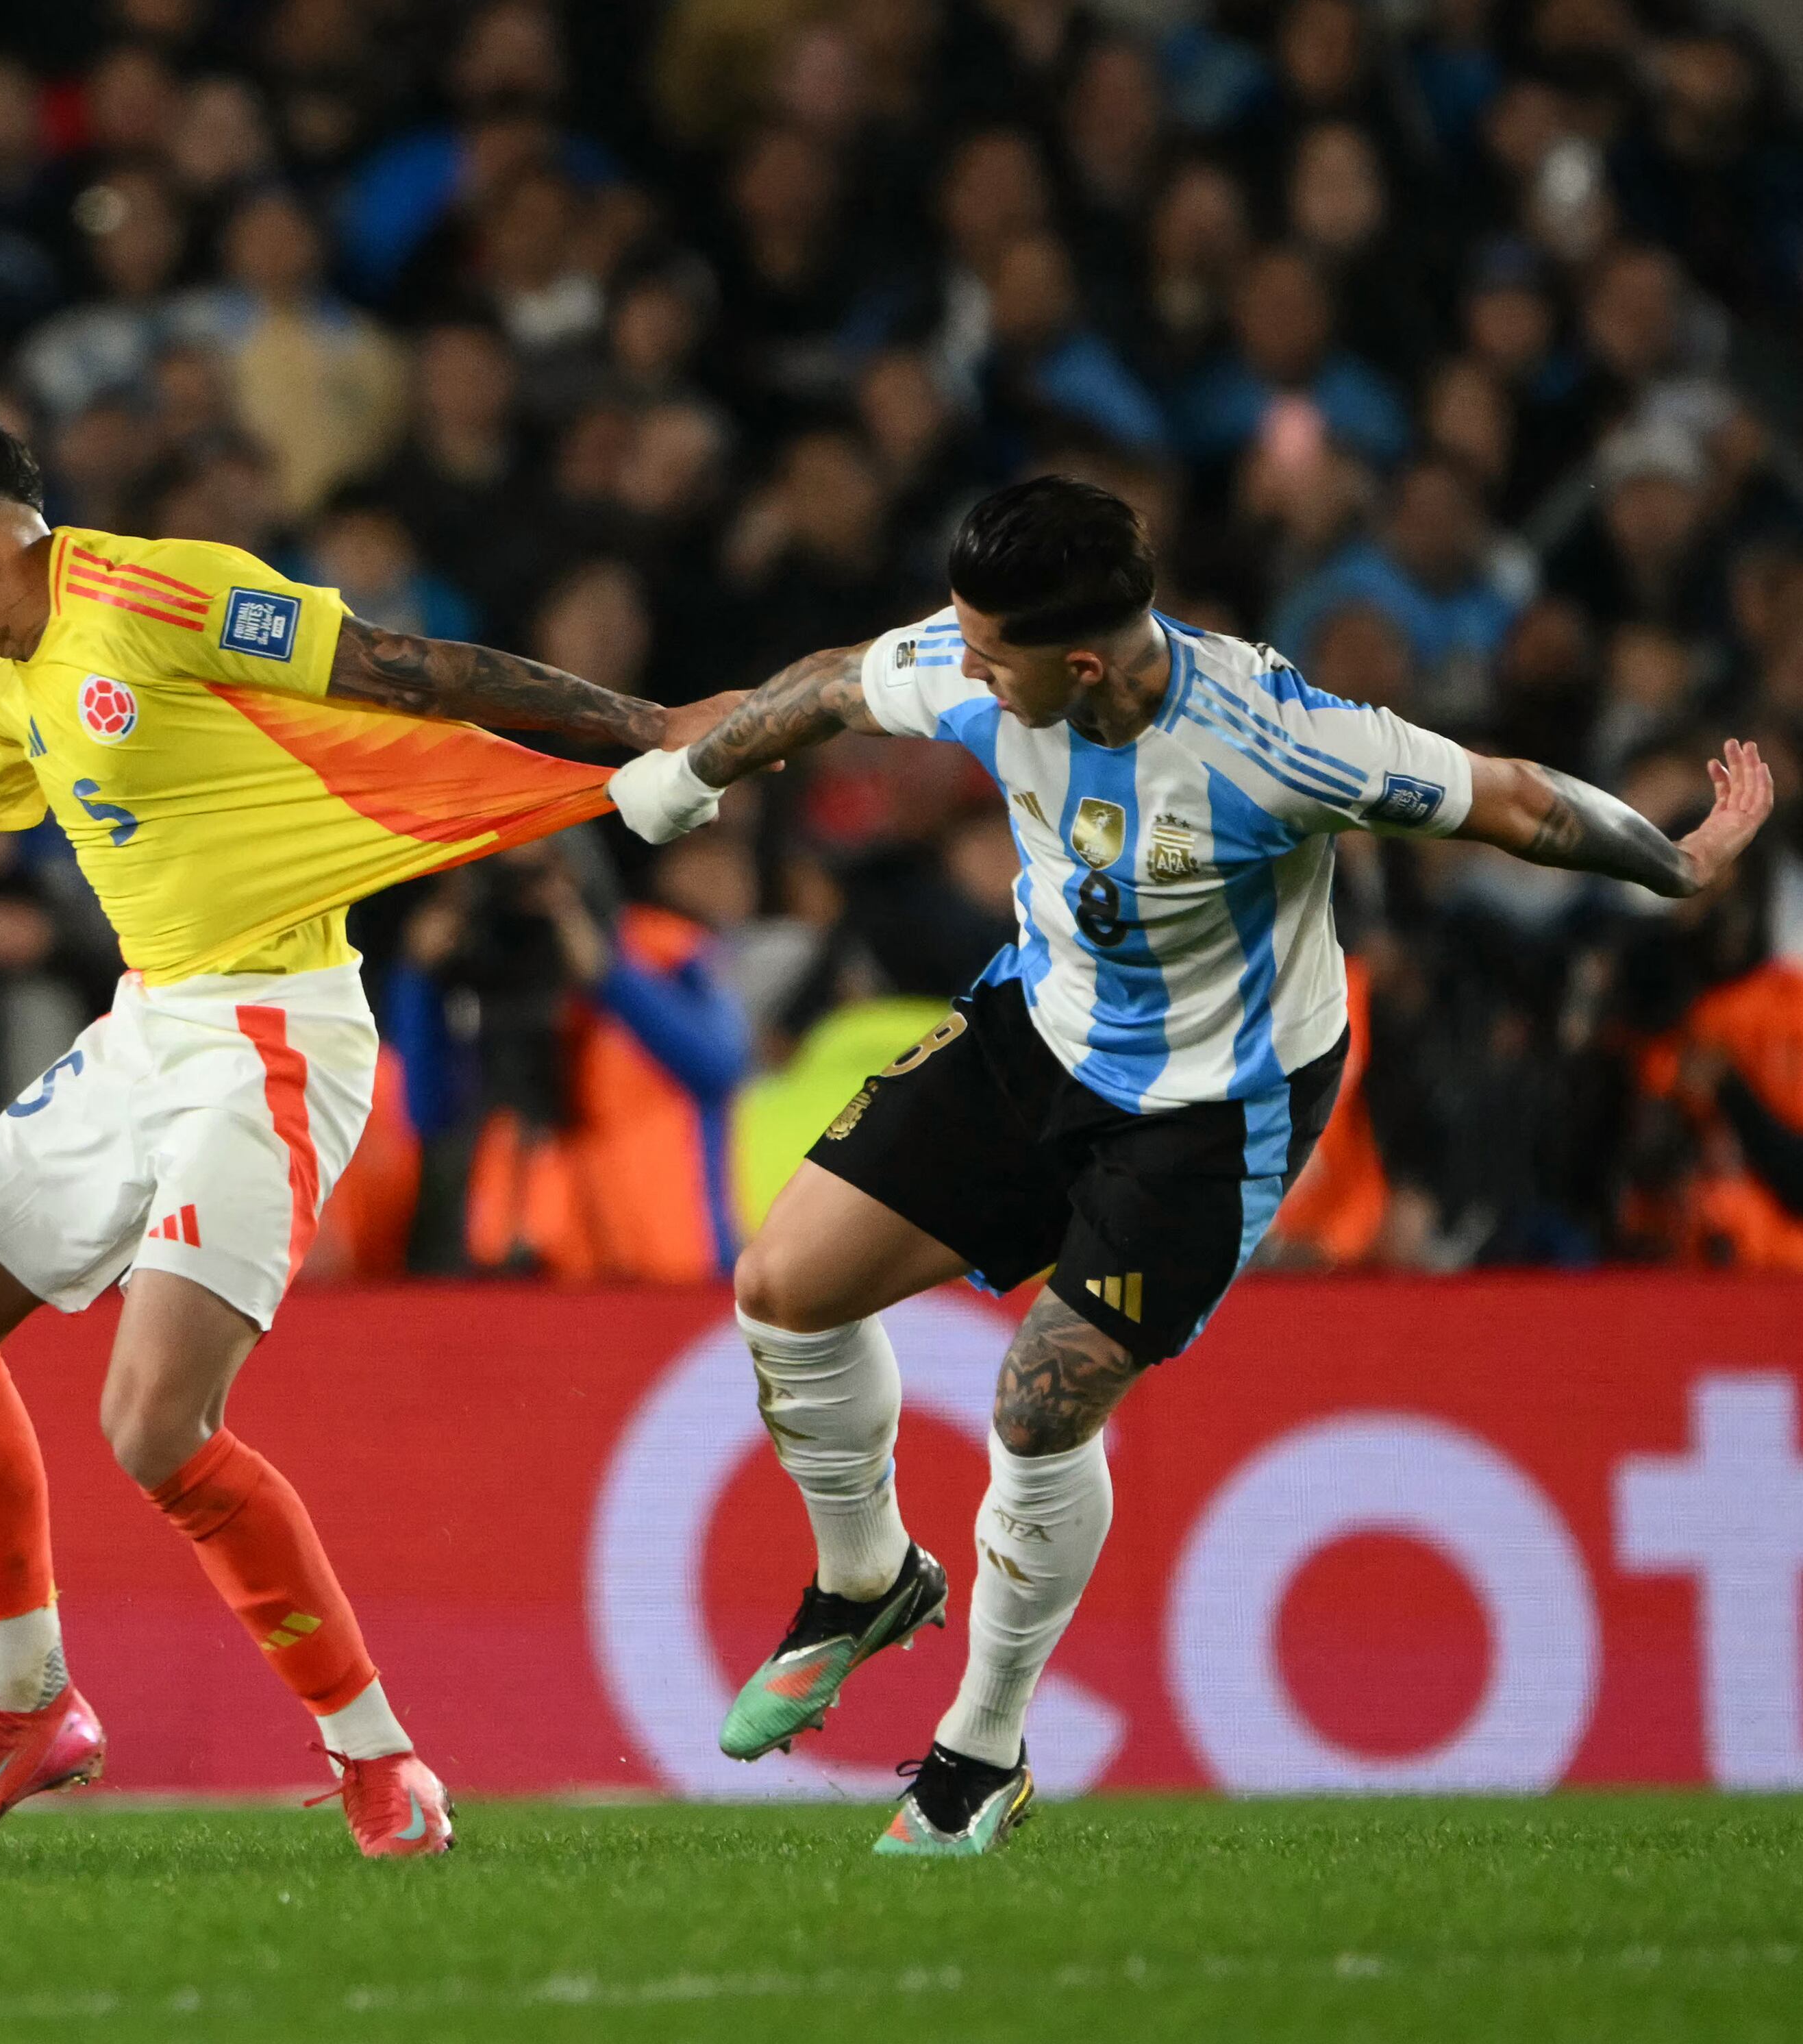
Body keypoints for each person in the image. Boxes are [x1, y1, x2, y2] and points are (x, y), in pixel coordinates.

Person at [604, 474, 1773, 1856]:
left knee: (1040, 1402)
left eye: (989, 649)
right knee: (784, 1285)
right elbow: (827, 686)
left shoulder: (1275, 740)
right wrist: (690, 776)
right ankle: (865, 1583)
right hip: (1042, 1030)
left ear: (1083, 663)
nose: (960, 659)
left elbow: (1511, 802)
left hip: (1220, 1104)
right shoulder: (987, 661)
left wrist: (1681, 864)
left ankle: (980, 1751)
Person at [0, 406, 725, 1858]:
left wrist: (651, 732)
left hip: (272, 1035)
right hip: (148, 1029)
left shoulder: (158, 595)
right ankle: (28, 1707)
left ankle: (376, 1756)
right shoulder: (6, 683)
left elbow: (405, 668)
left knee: (155, 1427)